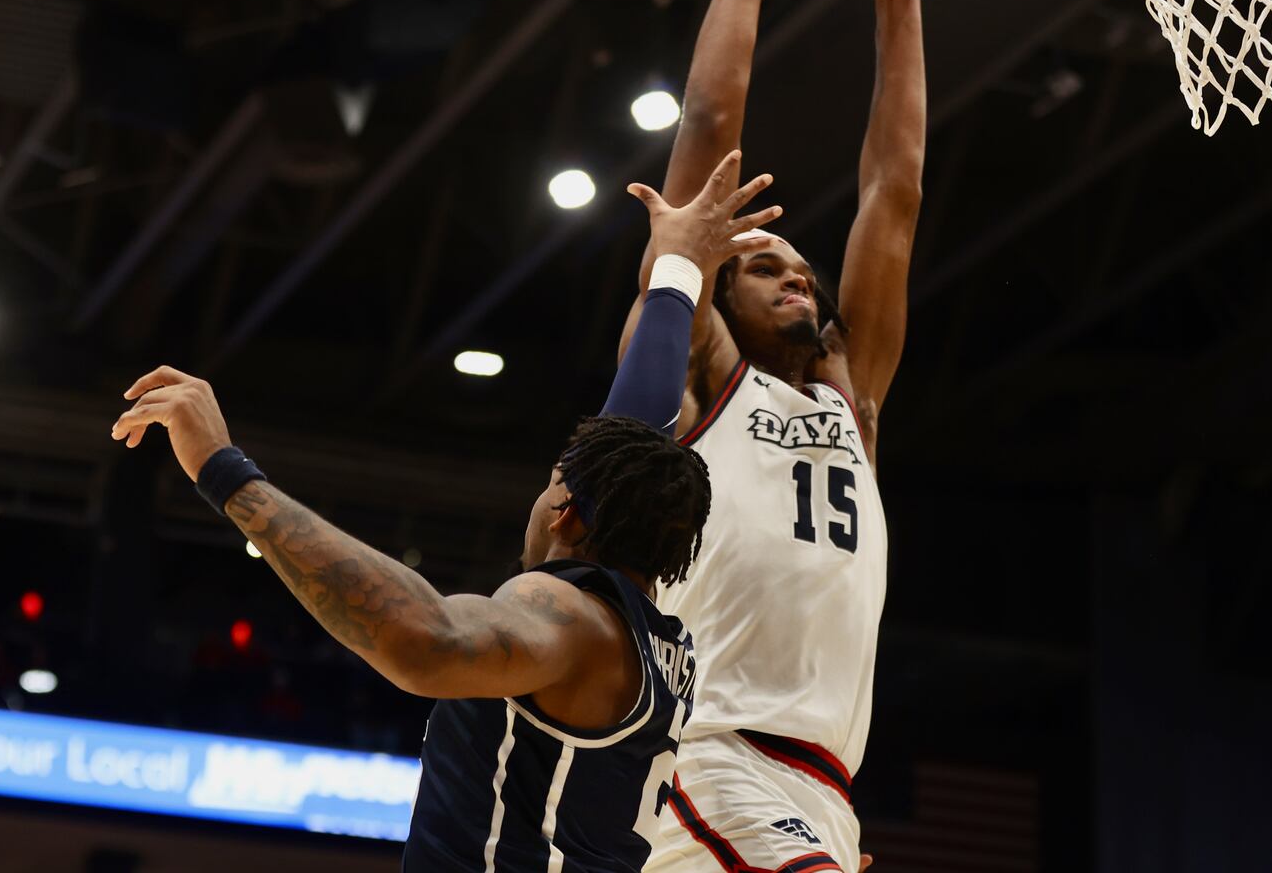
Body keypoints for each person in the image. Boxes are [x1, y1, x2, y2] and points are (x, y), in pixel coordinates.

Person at [111, 152, 783, 873]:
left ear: (562, 511)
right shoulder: (654, 642)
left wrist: (225, 472)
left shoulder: (571, 616)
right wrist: (680, 268)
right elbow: (636, 424)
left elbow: (423, 640)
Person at [618, 0, 926, 871]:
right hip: (714, 750)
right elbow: (709, 120)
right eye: (760, 265)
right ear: (716, 294)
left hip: (824, 787)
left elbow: (894, 189)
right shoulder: (705, 379)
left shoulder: (851, 399)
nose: (794, 272)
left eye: (801, 269)